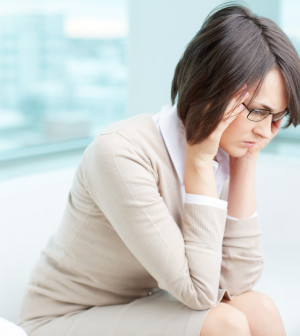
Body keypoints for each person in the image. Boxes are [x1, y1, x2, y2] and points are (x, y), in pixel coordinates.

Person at [19, 3, 300, 336]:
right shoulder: (121, 153)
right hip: (63, 318)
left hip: (140, 303)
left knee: (259, 308)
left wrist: (245, 163)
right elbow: (200, 293)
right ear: (215, 92)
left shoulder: (223, 153)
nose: (267, 132)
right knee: (224, 324)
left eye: (277, 118)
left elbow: (236, 283)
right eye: (258, 112)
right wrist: (197, 164)